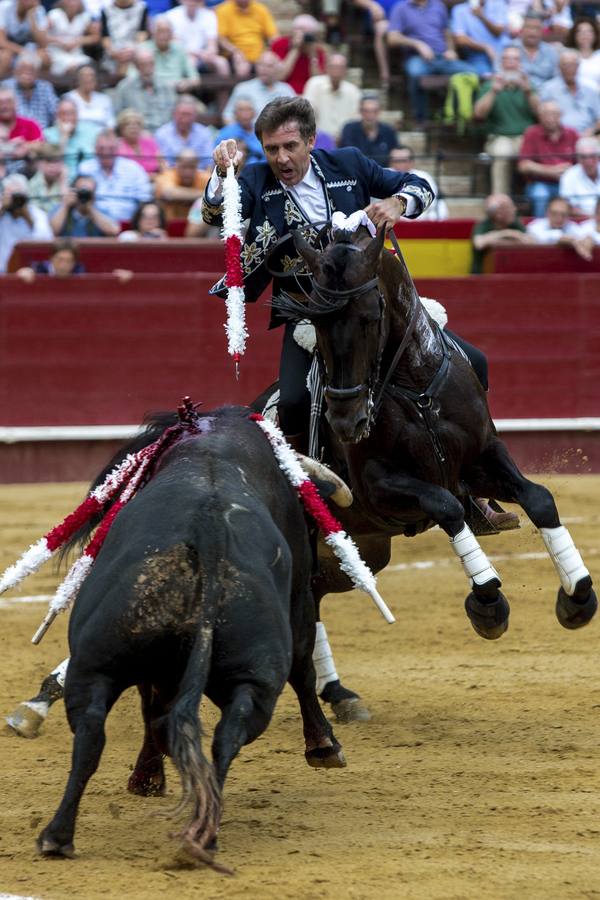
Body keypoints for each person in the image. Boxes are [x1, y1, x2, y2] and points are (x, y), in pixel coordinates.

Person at [203, 96, 434, 450]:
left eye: (290, 146)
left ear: (311, 141)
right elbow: (214, 215)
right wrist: (223, 172)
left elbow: (421, 185)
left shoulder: (348, 164)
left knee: (464, 365)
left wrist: (398, 203)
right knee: (293, 400)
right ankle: (303, 479)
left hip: (371, 307)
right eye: (271, 148)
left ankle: (473, 492)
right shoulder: (254, 179)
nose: (281, 158)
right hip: (309, 314)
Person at [387, 0, 474, 124]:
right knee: (416, 74)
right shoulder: (401, 8)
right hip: (417, 58)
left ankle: (455, 116)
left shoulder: (439, 5)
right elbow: (392, 38)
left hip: (443, 57)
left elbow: (446, 31)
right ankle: (421, 120)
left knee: (471, 72)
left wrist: (451, 50)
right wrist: (417, 44)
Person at [472, 44, 539, 195]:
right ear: (501, 63)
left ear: (520, 63)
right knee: (502, 154)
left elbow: (540, 114)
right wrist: (493, 92)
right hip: (500, 136)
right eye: (507, 59)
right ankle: (500, 199)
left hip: (526, 137)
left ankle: (535, 197)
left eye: (515, 59)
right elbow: (478, 114)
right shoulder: (489, 85)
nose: (510, 62)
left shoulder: (529, 86)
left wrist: (528, 93)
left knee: (536, 154)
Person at [517, 100, 578, 217]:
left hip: (568, 182)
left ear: (561, 116)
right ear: (539, 117)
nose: (550, 118)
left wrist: (569, 172)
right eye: (546, 114)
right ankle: (540, 229)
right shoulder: (531, 133)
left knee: (582, 194)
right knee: (540, 195)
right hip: (540, 182)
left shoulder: (572, 133)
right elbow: (523, 166)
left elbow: (581, 161)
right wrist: (550, 171)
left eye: (554, 114)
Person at [78, 128, 152, 221]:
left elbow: (145, 200)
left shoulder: (133, 169)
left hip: (128, 225)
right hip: (93, 224)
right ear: (95, 148)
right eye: (101, 148)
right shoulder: (85, 168)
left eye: (111, 148)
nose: (106, 152)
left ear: (118, 149)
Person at [221, 49, 295, 125]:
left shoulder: (286, 90)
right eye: (261, 65)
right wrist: (240, 134)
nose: (264, 69)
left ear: (277, 69)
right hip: (249, 134)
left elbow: (297, 117)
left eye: (269, 66)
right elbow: (227, 116)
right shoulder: (243, 88)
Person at [112, 47, 176, 132]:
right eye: (143, 64)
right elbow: (118, 116)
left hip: (165, 133)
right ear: (136, 66)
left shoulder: (166, 87)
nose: (147, 69)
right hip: (137, 135)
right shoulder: (124, 88)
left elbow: (174, 113)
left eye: (150, 64)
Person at [539, 50, 600, 136]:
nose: (569, 68)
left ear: (578, 66)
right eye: (565, 65)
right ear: (559, 67)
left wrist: (591, 131)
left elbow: (598, 117)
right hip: (558, 136)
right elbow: (542, 116)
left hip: (587, 136)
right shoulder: (548, 88)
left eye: (573, 65)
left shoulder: (589, 89)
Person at [302, 53, 361, 143]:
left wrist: (343, 136)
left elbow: (356, 120)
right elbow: (307, 115)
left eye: (340, 67)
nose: (336, 71)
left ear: (346, 70)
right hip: (317, 140)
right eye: (333, 67)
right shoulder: (314, 84)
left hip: (345, 141)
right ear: (327, 68)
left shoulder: (353, 91)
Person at [0, 172, 52, 272]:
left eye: (18, 196)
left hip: (29, 272)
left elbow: (45, 241)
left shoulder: (37, 214)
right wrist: (3, 208)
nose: (15, 200)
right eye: (11, 195)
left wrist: (27, 216)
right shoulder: (2, 212)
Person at [470, 191, 533, 274]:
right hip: (482, 276)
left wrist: (496, 240)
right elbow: (479, 243)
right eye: (508, 207)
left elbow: (531, 243)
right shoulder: (484, 225)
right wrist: (506, 234)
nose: (514, 209)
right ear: (498, 213)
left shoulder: (515, 223)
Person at [164, 0, 229, 76]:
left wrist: (209, 53)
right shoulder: (171, 15)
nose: (192, 1)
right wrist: (199, 54)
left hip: (205, 56)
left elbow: (213, 45)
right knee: (191, 62)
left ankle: (223, 88)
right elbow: (177, 46)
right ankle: (189, 87)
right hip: (183, 55)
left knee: (222, 63)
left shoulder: (209, 15)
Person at [215, 0, 278, 78]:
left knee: (270, 63)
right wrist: (235, 51)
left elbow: (273, 36)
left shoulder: (261, 9)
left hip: (258, 55)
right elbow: (220, 38)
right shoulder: (223, 10)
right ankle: (241, 89)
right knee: (242, 67)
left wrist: (272, 52)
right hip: (234, 55)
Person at [449, 0, 510, 77]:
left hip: (504, 54)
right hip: (478, 58)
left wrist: (481, 16)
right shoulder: (459, 10)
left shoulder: (498, 4)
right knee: (485, 79)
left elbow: (498, 32)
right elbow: (460, 39)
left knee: (511, 77)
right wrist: (485, 47)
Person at [44, 97, 99, 180]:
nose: (68, 118)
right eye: (64, 114)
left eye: (71, 113)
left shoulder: (92, 131)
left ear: (77, 115)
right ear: (57, 116)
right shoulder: (47, 135)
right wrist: (64, 136)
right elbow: (53, 164)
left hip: (89, 179)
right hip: (60, 180)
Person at [388, 144, 449, 219]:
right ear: (390, 162)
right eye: (396, 161)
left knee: (440, 207)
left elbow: (432, 200)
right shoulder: (384, 174)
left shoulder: (423, 176)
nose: (400, 164)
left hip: (421, 218)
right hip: (392, 219)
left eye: (403, 160)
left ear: (412, 162)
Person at [140, 16, 200, 91]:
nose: (164, 35)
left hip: (177, 92)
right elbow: (133, 77)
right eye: (160, 31)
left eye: (168, 32)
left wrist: (186, 83)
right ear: (153, 33)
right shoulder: (142, 49)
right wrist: (161, 84)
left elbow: (195, 79)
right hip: (151, 92)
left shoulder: (180, 48)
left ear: (172, 34)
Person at [271, 14, 327, 95]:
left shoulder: (318, 52)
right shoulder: (280, 44)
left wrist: (313, 55)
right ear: (293, 31)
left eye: (307, 34)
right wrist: (295, 49)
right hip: (283, 93)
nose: (304, 37)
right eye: (300, 31)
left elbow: (318, 81)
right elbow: (280, 76)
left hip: (308, 95)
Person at [50, 172, 121, 236]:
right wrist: (65, 205)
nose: (84, 195)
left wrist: (91, 208)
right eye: (81, 191)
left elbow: (114, 231)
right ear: (74, 191)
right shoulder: (61, 209)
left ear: (94, 194)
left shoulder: (102, 211)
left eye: (88, 192)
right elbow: (52, 231)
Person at [339, 92, 398, 167]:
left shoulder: (388, 131)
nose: (370, 115)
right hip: (356, 173)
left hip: (383, 174)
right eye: (366, 111)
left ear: (379, 112)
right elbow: (346, 156)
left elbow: (394, 156)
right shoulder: (349, 129)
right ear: (360, 111)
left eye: (374, 111)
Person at [525, 195, 593, 260]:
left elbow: (585, 236)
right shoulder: (535, 226)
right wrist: (570, 240)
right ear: (547, 213)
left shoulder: (572, 227)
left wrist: (588, 239)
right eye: (554, 213)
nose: (559, 218)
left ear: (569, 215)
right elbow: (541, 237)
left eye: (563, 215)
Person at [2, 52, 57, 130]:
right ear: (15, 71)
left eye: (31, 70)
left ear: (38, 73)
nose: (27, 73)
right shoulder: (5, 87)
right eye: (23, 69)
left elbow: (56, 112)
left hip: (43, 136)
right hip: (13, 135)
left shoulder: (45, 87)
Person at [154, 94, 212, 167]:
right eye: (182, 114)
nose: (185, 119)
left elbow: (208, 163)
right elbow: (161, 163)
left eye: (189, 114)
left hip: (199, 175)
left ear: (195, 116)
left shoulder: (204, 133)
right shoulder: (161, 134)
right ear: (174, 114)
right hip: (171, 175)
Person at [46, 0, 100, 78]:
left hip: (76, 54)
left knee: (89, 66)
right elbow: (42, 36)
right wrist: (60, 41)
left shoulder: (84, 16)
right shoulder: (54, 14)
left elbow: (95, 37)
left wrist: (79, 41)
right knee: (74, 68)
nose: (72, 3)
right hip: (56, 53)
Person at [154, 146, 210, 218]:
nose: (187, 172)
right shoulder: (167, 175)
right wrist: (205, 196)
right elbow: (169, 193)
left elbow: (217, 195)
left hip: (196, 224)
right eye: (184, 167)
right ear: (176, 165)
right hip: (169, 224)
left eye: (191, 167)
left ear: (197, 166)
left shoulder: (204, 178)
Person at [0, 85, 42, 176]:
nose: (4, 106)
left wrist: (26, 146)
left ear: (16, 103)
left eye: (8, 102)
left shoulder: (30, 124)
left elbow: (40, 145)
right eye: (1, 103)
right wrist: (10, 146)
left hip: (27, 172)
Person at [0, 0, 48, 79]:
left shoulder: (38, 10)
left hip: (28, 47)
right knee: (5, 56)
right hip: (7, 47)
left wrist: (32, 18)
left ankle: (39, 89)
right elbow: (1, 41)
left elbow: (43, 44)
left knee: (45, 58)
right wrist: (23, 51)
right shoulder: (4, 6)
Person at [511, 12, 558, 91]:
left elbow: (557, 79)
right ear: (522, 29)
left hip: (545, 95)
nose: (532, 32)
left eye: (537, 28)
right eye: (529, 27)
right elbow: (499, 72)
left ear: (542, 31)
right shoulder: (510, 48)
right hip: (517, 92)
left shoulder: (550, 52)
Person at [100, 0, 148, 77]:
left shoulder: (141, 7)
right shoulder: (106, 9)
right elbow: (105, 37)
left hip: (134, 50)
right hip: (114, 52)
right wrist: (114, 53)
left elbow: (142, 33)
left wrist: (133, 50)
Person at [214, 97, 264, 164]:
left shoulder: (261, 131)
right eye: (241, 110)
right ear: (235, 113)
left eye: (248, 110)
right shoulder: (225, 133)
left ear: (254, 113)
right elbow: (217, 157)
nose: (245, 114)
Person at [558, 136, 600, 216]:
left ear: (598, 157)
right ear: (578, 158)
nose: (588, 161)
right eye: (584, 157)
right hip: (581, 222)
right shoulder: (568, 176)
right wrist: (593, 217)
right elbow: (568, 207)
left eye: (592, 156)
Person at [65, 65, 115, 130]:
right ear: (77, 80)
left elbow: (111, 122)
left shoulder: (104, 99)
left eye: (92, 76)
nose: (89, 78)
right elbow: (66, 123)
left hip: (101, 136)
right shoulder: (68, 98)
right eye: (84, 76)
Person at [116, 108, 161, 175]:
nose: (133, 127)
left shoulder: (150, 142)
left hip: (156, 182)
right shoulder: (117, 146)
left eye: (137, 124)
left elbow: (163, 165)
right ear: (121, 128)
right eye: (128, 124)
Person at [16, 238, 86, 280]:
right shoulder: (40, 268)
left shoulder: (79, 270)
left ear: (74, 262)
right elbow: (27, 272)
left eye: (69, 261)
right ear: (51, 258)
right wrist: (25, 272)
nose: (63, 266)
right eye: (60, 260)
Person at [27, 142, 68, 212]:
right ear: (39, 163)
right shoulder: (32, 184)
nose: (53, 166)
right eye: (49, 161)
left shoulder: (64, 182)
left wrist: (63, 182)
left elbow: (66, 206)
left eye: (57, 161)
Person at [565, 18, 600, 90]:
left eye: (589, 31)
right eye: (580, 32)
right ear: (574, 35)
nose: (585, 35)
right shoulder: (568, 55)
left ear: (595, 35)